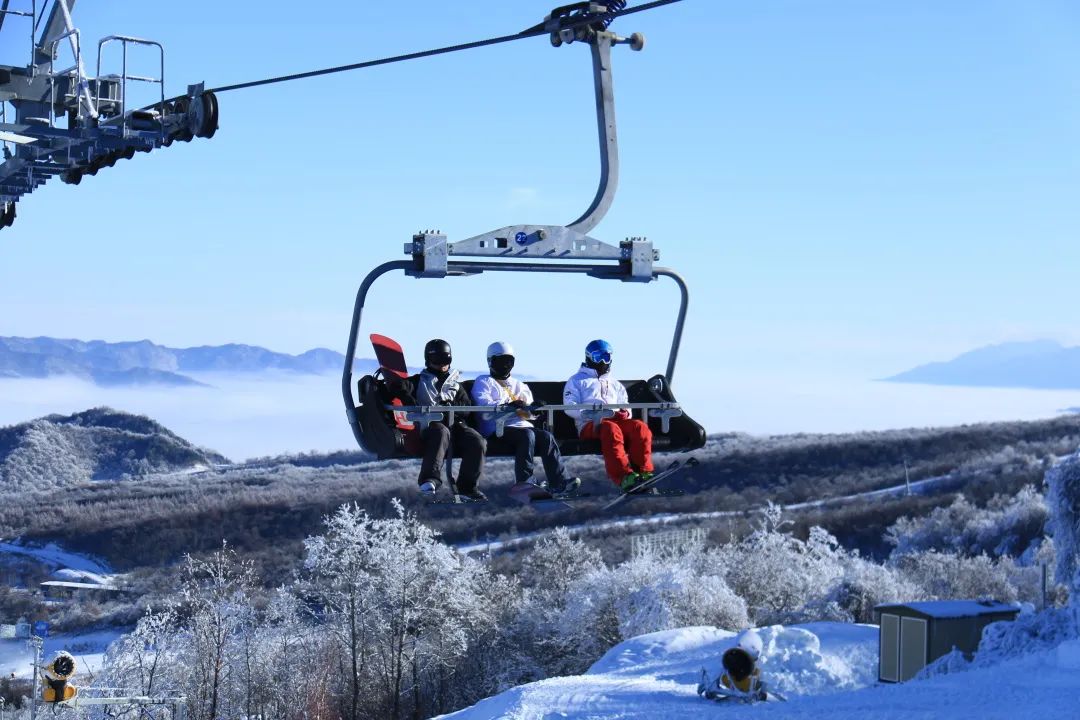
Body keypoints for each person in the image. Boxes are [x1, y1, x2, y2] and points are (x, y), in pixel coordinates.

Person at [471, 341, 581, 494]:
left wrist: (534, 409)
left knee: (546, 436)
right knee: (527, 435)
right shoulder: (484, 382)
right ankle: (525, 480)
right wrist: (509, 405)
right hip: (498, 428)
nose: (505, 365)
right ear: (491, 361)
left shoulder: (519, 385)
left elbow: (527, 413)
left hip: (521, 427)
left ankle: (559, 482)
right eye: (502, 361)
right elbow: (484, 406)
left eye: (509, 361)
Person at [387, 339, 487, 501]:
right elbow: (398, 387)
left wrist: (451, 407)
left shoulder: (455, 384)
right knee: (441, 432)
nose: (442, 364)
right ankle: (429, 478)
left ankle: (467, 487)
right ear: (428, 360)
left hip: (456, 425)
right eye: (437, 360)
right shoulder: (420, 381)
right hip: (431, 426)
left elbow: (467, 407)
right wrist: (408, 398)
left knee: (477, 440)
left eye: (445, 360)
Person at [563, 339, 655, 492]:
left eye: (607, 356)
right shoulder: (577, 381)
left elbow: (625, 406)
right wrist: (589, 414)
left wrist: (624, 413)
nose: (603, 361)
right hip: (590, 425)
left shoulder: (615, 384)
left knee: (640, 427)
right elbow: (569, 406)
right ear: (589, 357)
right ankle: (624, 476)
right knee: (610, 429)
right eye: (598, 357)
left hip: (615, 421)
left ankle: (643, 472)